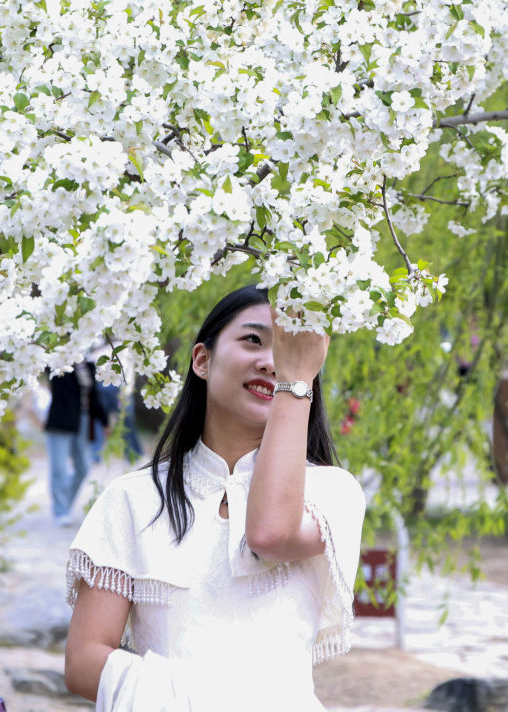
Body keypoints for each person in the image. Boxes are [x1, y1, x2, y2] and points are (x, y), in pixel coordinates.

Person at [63, 285, 366, 711]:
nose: (272, 361)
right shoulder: (132, 499)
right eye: (254, 339)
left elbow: (270, 533)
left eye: (287, 351)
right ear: (202, 360)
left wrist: (295, 382)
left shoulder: (333, 493)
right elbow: (83, 662)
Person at [45, 360, 109, 526]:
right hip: (60, 420)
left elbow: (93, 397)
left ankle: (64, 504)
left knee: (84, 466)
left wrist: (104, 421)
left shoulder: (88, 366)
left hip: (83, 420)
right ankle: (61, 510)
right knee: (59, 468)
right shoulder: (58, 361)